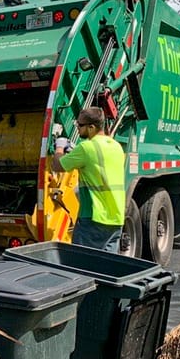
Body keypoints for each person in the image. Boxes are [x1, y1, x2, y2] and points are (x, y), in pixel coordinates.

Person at [51, 107, 126, 252]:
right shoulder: (116, 146)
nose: (77, 128)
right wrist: (74, 153)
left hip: (93, 218)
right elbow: (97, 168)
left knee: (83, 266)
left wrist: (59, 147)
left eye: (79, 125)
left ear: (91, 127)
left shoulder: (86, 148)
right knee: (106, 268)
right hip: (116, 218)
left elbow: (57, 165)